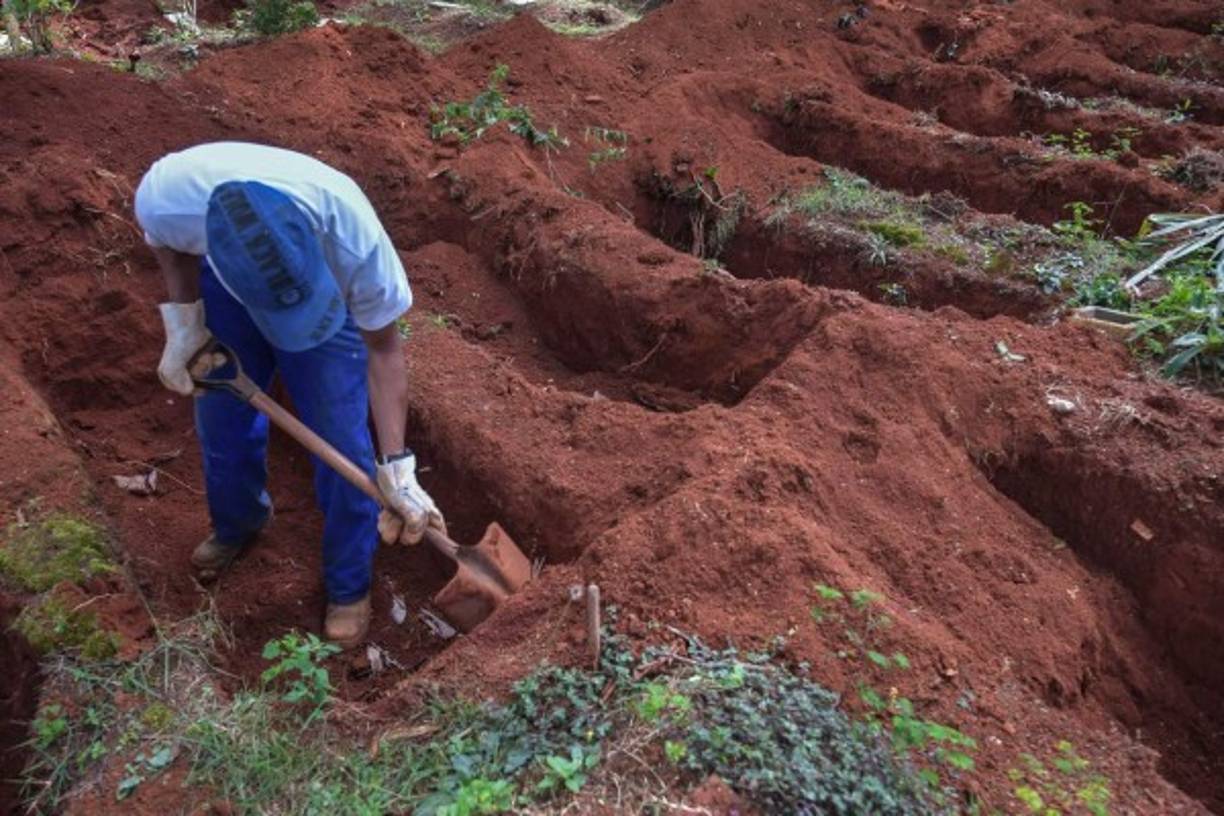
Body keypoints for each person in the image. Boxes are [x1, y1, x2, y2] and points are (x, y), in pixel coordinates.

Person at [134, 141, 445, 649]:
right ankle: (238, 523)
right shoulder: (169, 197)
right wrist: (186, 320)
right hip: (230, 293)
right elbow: (167, 245)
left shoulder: (358, 245)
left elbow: (385, 353)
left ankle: (348, 585)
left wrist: (397, 467)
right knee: (221, 421)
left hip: (324, 320)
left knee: (343, 445)